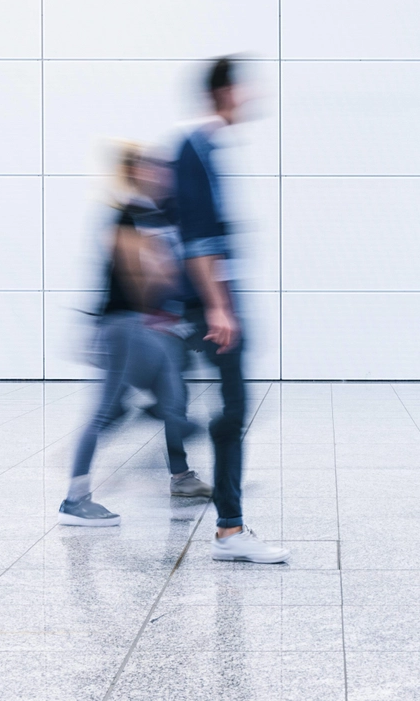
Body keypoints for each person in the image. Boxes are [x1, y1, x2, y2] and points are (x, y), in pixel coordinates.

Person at [174, 57, 287, 562]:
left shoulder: (206, 147)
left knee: (228, 408)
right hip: (209, 303)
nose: (252, 95)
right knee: (233, 407)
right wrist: (219, 306)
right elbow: (198, 240)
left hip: (211, 299)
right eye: (244, 87)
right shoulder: (197, 148)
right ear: (223, 92)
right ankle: (230, 529)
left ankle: (227, 521)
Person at [58, 144, 204, 525]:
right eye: (153, 170)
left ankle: (179, 467)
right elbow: (139, 275)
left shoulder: (149, 215)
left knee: (170, 392)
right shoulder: (125, 214)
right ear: (137, 175)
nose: (162, 176)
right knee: (105, 410)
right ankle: (75, 500)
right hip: (122, 328)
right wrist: (164, 274)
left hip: (142, 329)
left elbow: (159, 272)